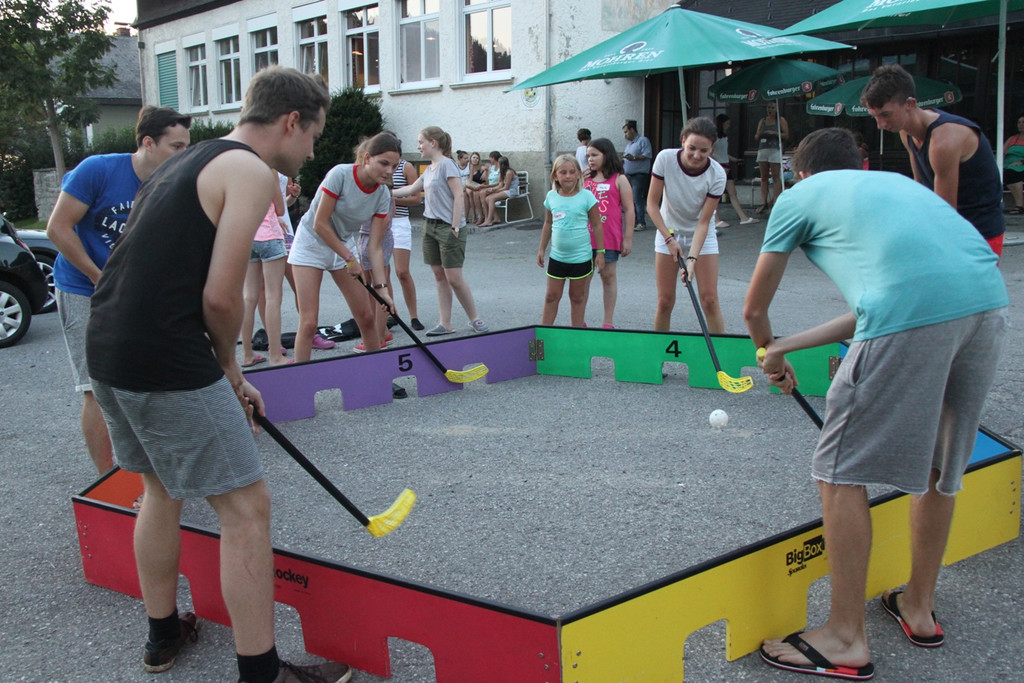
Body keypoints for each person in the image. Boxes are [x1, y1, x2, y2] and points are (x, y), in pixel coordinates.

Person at [85, 66, 352, 682]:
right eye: (312, 135)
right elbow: (221, 298)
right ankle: (261, 673)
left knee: (160, 488)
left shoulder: (192, 158)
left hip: (110, 348)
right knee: (246, 508)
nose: (311, 150)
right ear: (291, 122)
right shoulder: (251, 170)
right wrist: (231, 369)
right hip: (165, 356)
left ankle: (162, 636)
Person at [745, 128, 1007, 682]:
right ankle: (918, 606)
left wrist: (767, 353)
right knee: (941, 468)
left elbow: (753, 309)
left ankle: (844, 637)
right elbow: (888, 300)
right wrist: (787, 347)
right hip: (986, 305)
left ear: (801, 172)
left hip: (913, 314)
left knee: (838, 471)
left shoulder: (798, 197)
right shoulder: (890, 185)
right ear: (858, 163)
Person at [46, 105, 191, 476]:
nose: (183, 155)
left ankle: (151, 474)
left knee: (143, 381)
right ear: (147, 142)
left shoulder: (170, 183)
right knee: (96, 388)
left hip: (133, 292)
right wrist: (99, 278)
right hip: (82, 287)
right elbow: (58, 229)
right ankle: (110, 480)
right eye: (176, 146)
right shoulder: (98, 170)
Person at [862, 64, 1005, 256]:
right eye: (875, 117)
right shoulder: (907, 132)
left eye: (886, 115)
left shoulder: (943, 141)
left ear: (910, 104)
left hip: (980, 232)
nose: (880, 125)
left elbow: (944, 212)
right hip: (951, 223)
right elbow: (920, 190)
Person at [287, 131, 399, 361]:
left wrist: (383, 289)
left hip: (342, 245)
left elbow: (375, 247)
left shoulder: (382, 195)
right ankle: (300, 385)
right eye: (384, 163)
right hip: (311, 242)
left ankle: (375, 377)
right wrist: (349, 258)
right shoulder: (340, 174)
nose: (389, 171)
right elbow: (319, 223)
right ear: (367, 158)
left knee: (367, 317)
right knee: (308, 323)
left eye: (394, 166)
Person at [393, 126, 489, 336]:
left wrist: (455, 225)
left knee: (454, 277)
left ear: (433, 143)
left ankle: (475, 318)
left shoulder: (447, 165)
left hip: (448, 227)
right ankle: (445, 323)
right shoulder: (429, 169)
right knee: (439, 276)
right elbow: (410, 190)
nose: (418, 146)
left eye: (421, 142)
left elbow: (459, 195)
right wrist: (383, 191)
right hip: (430, 226)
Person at [647, 116, 726, 333]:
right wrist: (669, 239)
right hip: (668, 231)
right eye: (692, 148)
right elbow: (652, 205)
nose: (696, 155)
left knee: (709, 300)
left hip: (701, 234)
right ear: (683, 141)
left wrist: (692, 258)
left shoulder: (717, 174)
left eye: (704, 150)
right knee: (665, 300)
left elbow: (704, 222)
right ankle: (659, 355)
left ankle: (721, 360)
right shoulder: (665, 159)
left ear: (711, 149)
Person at [537, 155, 603, 327]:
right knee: (551, 296)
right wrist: (541, 249)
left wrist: (601, 253)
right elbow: (548, 223)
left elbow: (597, 225)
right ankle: (543, 339)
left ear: (579, 174)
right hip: (557, 257)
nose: (568, 176)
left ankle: (576, 336)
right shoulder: (551, 196)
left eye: (572, 172)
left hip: (581, 258)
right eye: (563, 172)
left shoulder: (587, 197)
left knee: (577, 297)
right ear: (555, 176)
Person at [584, 137, 634, 328]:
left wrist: (628, 238)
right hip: (584, 239)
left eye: (595, 155)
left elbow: (630, 209)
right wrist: (578, 177)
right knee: (583, 280)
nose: (590, 159)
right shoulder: (585, 180)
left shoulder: (619, 179)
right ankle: (579, 319)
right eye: (588, 155)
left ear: (607, 155)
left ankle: (607, 321)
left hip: (609, 239)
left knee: (608, 276)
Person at [240, 184, 291, 368]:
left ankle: (247, 354)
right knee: (273, 296)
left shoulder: (238, 166)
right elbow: (280, 207)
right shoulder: (268, 168)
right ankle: (275, 354)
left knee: (249, 296)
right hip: (269, 234)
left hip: (247, 235)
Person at [390, 154, 424, 330]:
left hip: (399, 221)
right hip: (379, 221)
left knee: (402, 271)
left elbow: (416, 198)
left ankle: (414, 316)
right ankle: (389, 314)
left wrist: (391, 199)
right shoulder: (377, 165)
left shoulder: (406, 167)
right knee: (381, 272)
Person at [713, 114, 758, 228]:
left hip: (726, 165)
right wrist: (719, 165)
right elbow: (710, 153)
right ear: (722, 123)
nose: (728, 126)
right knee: (716, 194)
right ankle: (716, 219)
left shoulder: (724, 137)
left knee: (733, 193)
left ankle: (743, 217)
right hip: (719, 167)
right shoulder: (714, 137)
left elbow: (723, 153)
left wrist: (734, 159)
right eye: (727, 123)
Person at [754, 101, 789, 214]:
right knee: (763, 176)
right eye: (768, 107)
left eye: (773, 107)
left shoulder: (780, 120)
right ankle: (763, 202)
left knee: (775, 176)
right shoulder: (763, 121)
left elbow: (786, 135)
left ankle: (775, 201)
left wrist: (773, 133)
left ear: (776, 109)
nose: (770, 109)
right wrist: (759, 134)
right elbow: (756, 136)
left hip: (775, 149)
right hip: (763, 149)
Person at [622, 119, 652, 231]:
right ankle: (633, 222)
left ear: (632, 130)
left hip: (639, 175)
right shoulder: (629, 144)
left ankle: (641, 222)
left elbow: (647, 154)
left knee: (637, 198)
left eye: (626, 132)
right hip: (629, 175)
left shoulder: (643, 141)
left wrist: (634, 158)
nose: (625, 135)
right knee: (630, 199)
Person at [478, 155, 519, 227]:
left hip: (511, 191)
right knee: (487, 198)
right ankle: (496, 218)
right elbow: (500, 184)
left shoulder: (509, 172)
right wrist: (493, 189)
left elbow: (506, 187)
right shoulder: (502, 172)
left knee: (491, 198)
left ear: (502, 164)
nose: (497, 165)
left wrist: (495, 192)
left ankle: (489, 220)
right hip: (505, 190)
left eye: (499, 163)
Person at [469, 150, 502, 221]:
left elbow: (499, 183)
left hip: (495, 188)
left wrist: (485, 186)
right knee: (475, 192)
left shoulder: (500, 169)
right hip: (489, 186)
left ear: (493, 158)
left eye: (490, 158)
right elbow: (487, 177)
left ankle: (487, 216)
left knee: (481, 192)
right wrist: (486, 172)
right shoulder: (492, 167)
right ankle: (481, 216)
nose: (489, 160)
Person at [1003, 113, 1024, 214]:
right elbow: (1002, 153)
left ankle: (1019, 205)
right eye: (1019, 122)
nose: (1021, 124)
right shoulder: (1012, 139)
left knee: (1012, 173)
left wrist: (1021, 161)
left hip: (1021, 166)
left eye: (1023, 122)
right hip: (1007, 165)